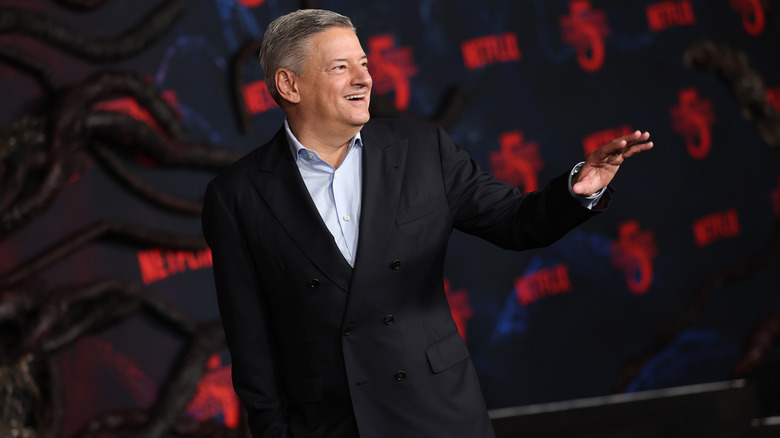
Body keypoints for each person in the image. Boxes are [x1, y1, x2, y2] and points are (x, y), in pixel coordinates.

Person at [202, 8, 652, 438]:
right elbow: (250, 344)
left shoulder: (422, 149)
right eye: (341, 67)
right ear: (288, 85)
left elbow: (518, 222)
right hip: (332, 424)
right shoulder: (238, 195)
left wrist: (579, 188)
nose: (365, 78)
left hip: (437, 412)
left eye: (364, 63)